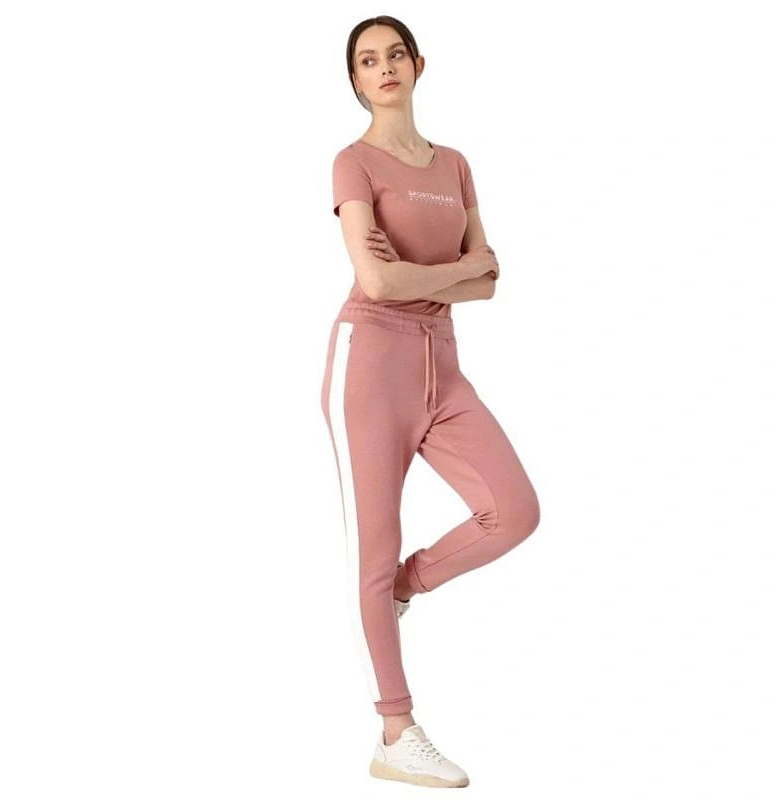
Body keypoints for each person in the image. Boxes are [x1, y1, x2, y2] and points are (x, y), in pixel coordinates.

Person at [320, 15, 541, 788]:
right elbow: (378, 282)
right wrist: (455, 271)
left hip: (442, 369)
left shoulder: (454, 165)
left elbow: (491, 282)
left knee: (514, 510)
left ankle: (405, 587)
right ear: (355, 80)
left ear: (418, 65)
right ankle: (396, 732)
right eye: (367, 60)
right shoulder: (353, 164)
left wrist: (440, 276)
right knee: (369, 553)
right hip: (369, 366)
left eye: (395, 55)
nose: (383, 68)